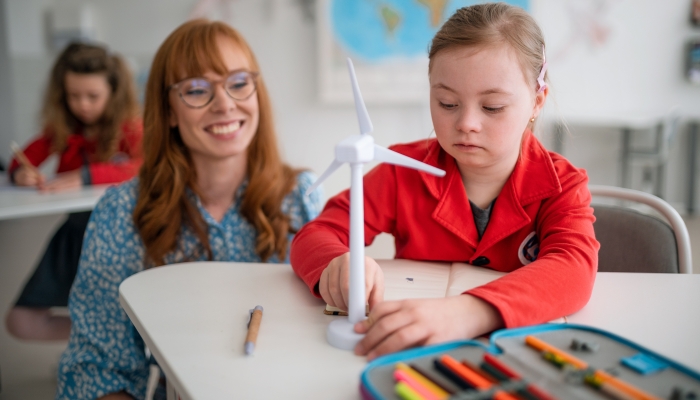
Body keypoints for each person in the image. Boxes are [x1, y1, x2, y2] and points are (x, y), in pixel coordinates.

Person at [290, 3, 599, 361]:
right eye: (447, 102)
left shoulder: (564, 185)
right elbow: (314, 236)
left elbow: (573, 268)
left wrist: (468, 312)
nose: (466, 122)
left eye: (493, 107)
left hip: (514, 357)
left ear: (536, 102)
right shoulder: (402, 170)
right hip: (416, 354)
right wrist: (338, 262)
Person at [55, 19, 322, 399]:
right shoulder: (122, 212)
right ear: (168, 111)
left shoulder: (301, 195)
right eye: (197, 90)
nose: (225, 103)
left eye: (239, 82)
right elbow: (96, 369)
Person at [5, 42, 143, 341]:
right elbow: (20, 159)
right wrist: (21, 172)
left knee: (130, 308)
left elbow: (146, 165)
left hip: (123, 236)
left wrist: (87, 176)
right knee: (20, 321)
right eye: (73, 96)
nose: (83, 104)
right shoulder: (63, 131)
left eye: (93, 96)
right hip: (75, 235)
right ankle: (99, 340)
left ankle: (112, 344)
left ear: (113, 93)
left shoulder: (130, 128)